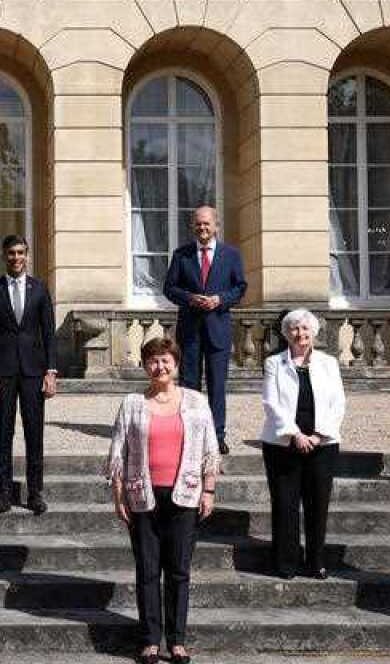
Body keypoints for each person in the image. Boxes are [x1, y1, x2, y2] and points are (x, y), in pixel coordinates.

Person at [106, 337, 220, 664]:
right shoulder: (131, 403)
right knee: (147, 570)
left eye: (166, 360)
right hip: (142, 495)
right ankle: (150, 640)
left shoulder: (197, 401)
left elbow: (210, 450)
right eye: (153, 360)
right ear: (145, 366)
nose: (160, 366)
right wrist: (119, 496)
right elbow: (118, 453)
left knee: (179, 570)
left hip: (185, 494)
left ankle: (177, 640)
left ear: (176, 363)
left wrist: (209, 490)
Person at [259, 309, 346, 580]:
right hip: (283, 444)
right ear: (286, 334)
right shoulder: (274, 363)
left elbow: (338, 403)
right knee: (285, 504)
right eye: (295, 329)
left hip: (323, 443)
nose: (300, 334)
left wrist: (319, 435)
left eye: (305, 329)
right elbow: (271, 402)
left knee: (317, 503)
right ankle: (286, 562)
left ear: (314, 332)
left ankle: (316, 561)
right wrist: (295, 434)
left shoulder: (329, 363)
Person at [0, 234, 57, 515]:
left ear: (27, 255)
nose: (16, 258)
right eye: (11, 253)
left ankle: (35, 493)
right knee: (4, 433)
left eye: (21, 252)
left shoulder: (40, 289)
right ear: (4, 256)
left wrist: (51, 372)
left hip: (34, 372)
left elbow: (49, 333)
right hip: (2, 372)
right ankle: (4, 492)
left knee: (34, 434)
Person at [163, 205, 247, 455]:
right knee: (189, 386)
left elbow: (240, 287)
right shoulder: (182, 255)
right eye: (198, 224)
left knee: (217, 386)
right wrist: (190, 298)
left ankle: (217, 436)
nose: (202, 228)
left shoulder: (231, 254)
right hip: (190, 331)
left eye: (207, 224)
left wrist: (220, 300)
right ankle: (189, 434)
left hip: (218, 329)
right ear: (193, 226)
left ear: (216, 226)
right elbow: (169, 288)